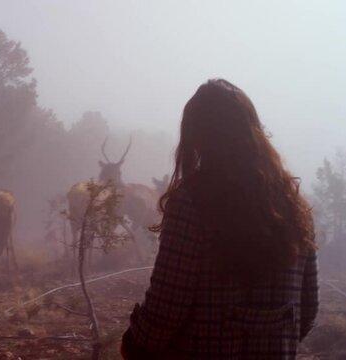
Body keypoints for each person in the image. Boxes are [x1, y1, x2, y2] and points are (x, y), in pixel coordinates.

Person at [121, 79, 318, 359]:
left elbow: (166, 311)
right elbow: (307, 308)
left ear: (196, 136)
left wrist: (133, 344)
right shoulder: (293, 205)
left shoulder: (190, 204)